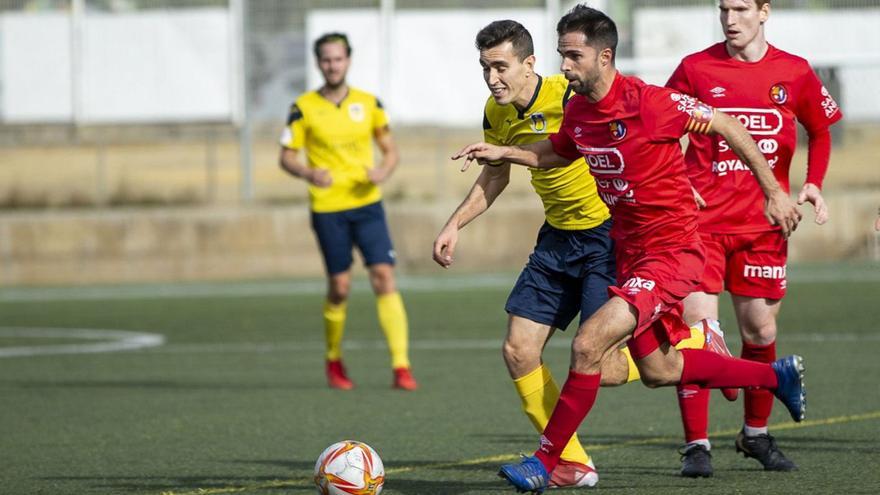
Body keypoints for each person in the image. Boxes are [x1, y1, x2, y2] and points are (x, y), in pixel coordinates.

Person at [451, 6, 806, 492]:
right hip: (628, 250)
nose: (566, 67)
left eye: (573, 57)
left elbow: (728, 126)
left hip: (673, 250)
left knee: (587, 343)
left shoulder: (653, 102)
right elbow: (558, 150)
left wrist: (773, 191)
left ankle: (548, 461)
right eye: (562, 56)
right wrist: (505, 152)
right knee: (660, 370)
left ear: (604, 56)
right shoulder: (578, 109)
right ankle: (773, 377)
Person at [432, 19, 648, 489]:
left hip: (607, 236)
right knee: (517, 349)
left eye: (501, 66)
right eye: (485, 67)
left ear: (529, 63)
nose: (493, 78)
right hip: (557, 240)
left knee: (605, 366)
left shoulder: (569, 95)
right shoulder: (497, 110)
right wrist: (454, 224)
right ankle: (572, 461)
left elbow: (625, 139)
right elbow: (495, 176)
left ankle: (691, 346)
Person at [665, 0, 842, 476]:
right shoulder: (694, 69)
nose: (730, 18)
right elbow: (660, 129)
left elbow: (821, 129)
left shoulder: (795, 71)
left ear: (764, 12)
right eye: (723, 8)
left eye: (741, 8)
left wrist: (812, 183)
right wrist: (676, 185)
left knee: (760, 332)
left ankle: (756, 435)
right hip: (699, 226)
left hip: (765, 226)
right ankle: (696, 446)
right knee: (701, 335)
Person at [279, 32, 417, 391]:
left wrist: (383, 171)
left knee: (384, 276)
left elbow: (390, 151)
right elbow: (286, 156)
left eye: (338, 59)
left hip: (367, 204)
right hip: (328, 209)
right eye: (326, 59)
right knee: (339, 287)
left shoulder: (369, 103)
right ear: (318, 63)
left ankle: (401, 367)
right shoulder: (303, 107)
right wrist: (308, 172)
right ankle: (334, 360)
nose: (332, 65)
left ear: (348, 61)